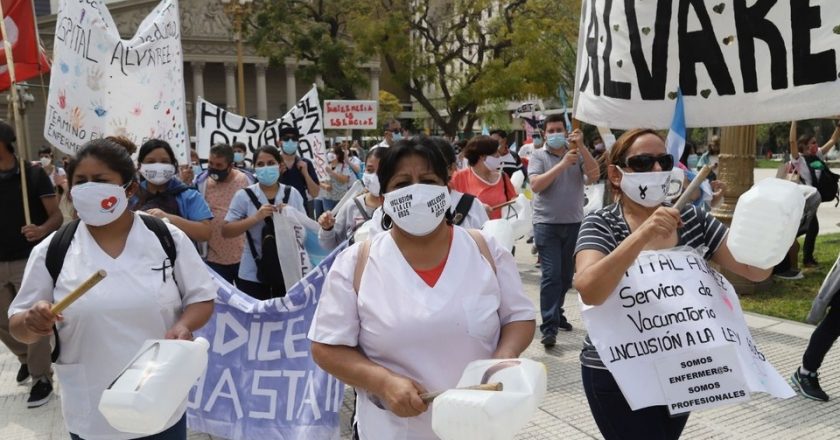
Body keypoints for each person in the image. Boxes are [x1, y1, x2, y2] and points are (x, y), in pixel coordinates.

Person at [308, 137, 536, 439]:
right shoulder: (356, 262)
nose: (416, 192)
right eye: (402, 183)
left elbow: (518, 317)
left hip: (479, 426)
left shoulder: (485, 250)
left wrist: (500, 360)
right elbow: (325, 347)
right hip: (392, 430)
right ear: (384, 195)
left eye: (428, 181)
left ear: (447, 187)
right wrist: (382, 382)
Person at [9, 139, 216, 440]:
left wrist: (184, 324)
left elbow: (201, 298)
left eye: (101, 181)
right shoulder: (53, 250)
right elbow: (18, 326)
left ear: (130, 189)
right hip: (92, 412)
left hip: (160, 403)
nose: (89, 188)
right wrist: (32, 321)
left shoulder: (164, 237)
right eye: (81, 181)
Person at [573, 128, 770, 440]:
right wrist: (642, 235)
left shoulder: (693, 218)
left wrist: (774, 231)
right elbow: (590, 288)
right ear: (615, 174)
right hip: (616, 372)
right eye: (642, 162)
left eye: (664, 161)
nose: (656, 170)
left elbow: (754, 270)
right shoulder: (601, 224)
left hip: (680, 366)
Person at [0, 121, 62, 408]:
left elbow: (57, 217)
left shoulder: (33, 175)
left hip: (28, 258)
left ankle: (41, 377)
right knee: (5, 323)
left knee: (33, 320)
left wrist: (40, 229)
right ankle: (24, 357)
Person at [528, 114, 600, 347]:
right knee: (551, 275)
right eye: (551, 130)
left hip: (574, 223)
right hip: (546, 224)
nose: (555, 134)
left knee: (565, 277)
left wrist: (582, 147)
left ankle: (557, 314)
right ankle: (549, 327)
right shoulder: (538, 156)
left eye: (560, 129)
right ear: (544, 134)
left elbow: (594, 176)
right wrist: (561, 165)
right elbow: (537, 186)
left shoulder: (577, 155)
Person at [222, 145, 307, 300]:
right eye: (260, 164)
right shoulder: (244, 196)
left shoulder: (291, 193)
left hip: (288, 270)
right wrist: (255, 217)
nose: (265, 168)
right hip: (252, 272)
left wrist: (291, 215)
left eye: (270, 163)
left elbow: (306, 232)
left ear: (280, 166)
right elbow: (226, 231)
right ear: (254, 168)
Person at [131, 139, 213, 243]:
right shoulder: (130, 194)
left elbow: (205, 233)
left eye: (164, 161)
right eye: (151, 162)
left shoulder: (188, 195)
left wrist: (168, 218)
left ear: (173, 165)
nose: (158, 166)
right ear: (139, 166)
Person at [196, 144, 253, 282]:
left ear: (230, 165)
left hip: (243, 256)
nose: (213, 168)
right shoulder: (201, 183)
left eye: (219, 165)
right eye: (210, 163)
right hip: (213, 258)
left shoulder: (245, 181)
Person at [789, 120, 840, 267]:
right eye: (813, 142)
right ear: (804, 146)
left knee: (810, 227)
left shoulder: (817, 155)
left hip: (813, 201)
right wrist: (794, 120)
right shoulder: (798, 160)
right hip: (803, 200)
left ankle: (804, 257)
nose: (816, 145)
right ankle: (804, 258)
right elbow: (792, 140)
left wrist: (838, 125)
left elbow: (833, 139)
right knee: (810, 227)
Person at [318, 147, 387, 250]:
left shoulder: (398, 206)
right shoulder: (351, 206)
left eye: (382, 171)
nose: (375, 176)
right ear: (364, 170)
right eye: (370, 170)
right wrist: (327, 229)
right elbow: (331, 246)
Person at [450, 135, 517, 220]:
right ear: (482, 157)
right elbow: (450, 207)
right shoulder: (459, 178)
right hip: (472, 231)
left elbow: (513, 201)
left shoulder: (503, 177)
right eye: (495, 154)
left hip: (501, 229)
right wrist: (476, 209)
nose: (499, 157)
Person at [277, 126, 320, 217]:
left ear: (298, 143)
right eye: (286, 139)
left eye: (294, 139)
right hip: (278, 212)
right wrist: (278, 174)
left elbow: (315, 193)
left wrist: (306, 174)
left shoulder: (306, 163)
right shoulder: (273, 163)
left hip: (301, 212)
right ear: (279, 142)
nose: (290, 141)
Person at [317, 145, 358, 218]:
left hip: (341, 198)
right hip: (328, 198)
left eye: (333, 152)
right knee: (328, 217)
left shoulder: (344, 166)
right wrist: (324, 186)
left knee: (340, 218)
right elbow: (318, 181)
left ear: (338, 155)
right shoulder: (324, 166)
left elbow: (344, 180)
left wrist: (332, 172)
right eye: (330, 152)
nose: (330, 154)